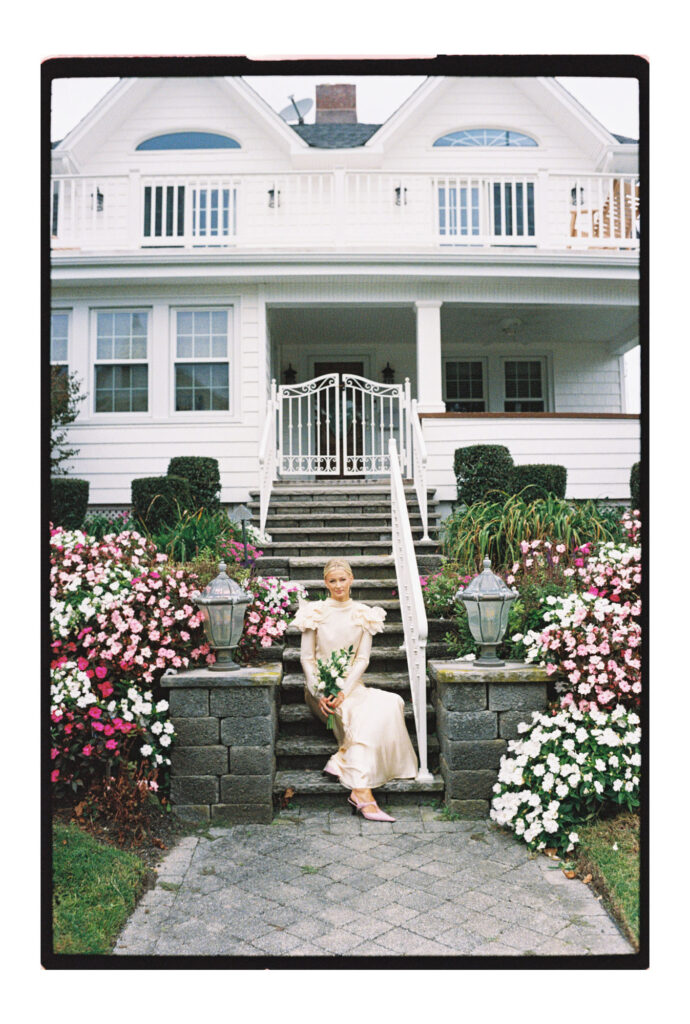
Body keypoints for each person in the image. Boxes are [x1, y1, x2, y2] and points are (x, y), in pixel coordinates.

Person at [292, 557, 418, 822]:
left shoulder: (364, 613)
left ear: (352, 579)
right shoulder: (314, 612)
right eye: (332, 581)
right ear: (325, 583)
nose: (338, 585)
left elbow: (362, 660)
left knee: (391, 702)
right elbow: (306, 659)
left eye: (343, 579)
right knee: (353, 715)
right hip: (319, 691)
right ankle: (362, 792)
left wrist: (344, 691)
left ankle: (343, 765)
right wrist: (319, 691)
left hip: (351, 688)